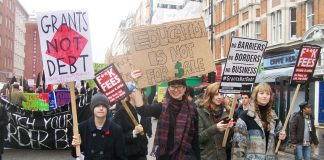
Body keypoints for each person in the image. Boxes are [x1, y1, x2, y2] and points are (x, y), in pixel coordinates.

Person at [131, 70, 200, 160]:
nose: (175, 90)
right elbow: (142, 110)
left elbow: (195, 138)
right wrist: (137, 85)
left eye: (179, 86)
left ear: (184, 88)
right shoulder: (162, 107)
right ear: (168, 88)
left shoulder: (192, 109)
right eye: (172, 86)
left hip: (186, 156)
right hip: (165, 157)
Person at [232, 82, 286, 159]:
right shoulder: (246, 116)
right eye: (261, 93)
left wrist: (281, 137)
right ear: (255, 95)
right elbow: (238, 144)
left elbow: (279, 144)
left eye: (267, 94)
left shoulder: (274, 117)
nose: (265, 96)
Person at [70, 93, 126, 160]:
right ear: (92, 108)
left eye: (104, 106)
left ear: (108, 109)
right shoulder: (82, 127)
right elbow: (75, 154)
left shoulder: (116, 129)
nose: (101, 108)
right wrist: (75, 146)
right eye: (97, 106)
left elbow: (121, 156)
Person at [113, 83, 152, 160]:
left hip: (142, 153)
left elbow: (147, 129)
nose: (141, 94)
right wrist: (133, 133)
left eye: (142, 91)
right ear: (130, 94)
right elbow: (117, 136)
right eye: (138, 91)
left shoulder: (145, 110)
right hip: (127, 155)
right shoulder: (121, 113)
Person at [197, 82, 234, 160]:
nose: (219, 97)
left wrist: (230, 129)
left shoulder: (226, 112)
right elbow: (198, 138)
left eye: (221, 94)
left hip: (221, 156)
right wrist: (215, 128)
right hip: (206, 156)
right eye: (216, 94)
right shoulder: (200, 111)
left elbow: (226, 140)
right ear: (210, 95)